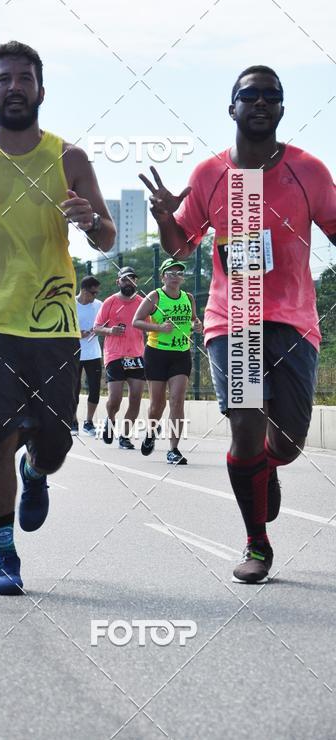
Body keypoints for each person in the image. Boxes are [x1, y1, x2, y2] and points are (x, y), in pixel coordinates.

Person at [0, 40, 116, 595]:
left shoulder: (69, 159)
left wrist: (89, 222)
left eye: (24, 78)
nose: (14, 87)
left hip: (55, 327)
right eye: (4, 79)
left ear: (40, 90)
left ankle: (37, 474)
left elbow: (105, 237)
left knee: (54, 448)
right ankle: (4, 555)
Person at [140, 64, 336, 583]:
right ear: (232, 107)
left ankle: (265, 469)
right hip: (234, 320)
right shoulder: (210, 175)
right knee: (245, 424)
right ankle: (257, 544)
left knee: (288, 444)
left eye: (271, 95)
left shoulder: (308, 171)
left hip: (294, 320)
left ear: (281, 109)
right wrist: (164, 218)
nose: (261, 102)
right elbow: (181, 245)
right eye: (249, 94)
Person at [132, 259, 203, 464]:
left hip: (181, 353)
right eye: (170, 273)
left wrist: (197, 326)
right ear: (163, 276)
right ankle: (151, 432)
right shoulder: (155, 296)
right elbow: (136, 321)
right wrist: (159, 328)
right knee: (157, 404)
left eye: (179, 273)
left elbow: (193, 321)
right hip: (157, 354)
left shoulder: (188, 297)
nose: (175, 276)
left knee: (177, 400)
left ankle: (173, 449)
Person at [93, 267, 146, 449]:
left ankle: (125, 436)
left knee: (136, 398)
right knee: (115, 399)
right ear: (118, 282)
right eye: (125, 279)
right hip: (114, 355)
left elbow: (153, 325)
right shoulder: (110, 302)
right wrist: (110, 330)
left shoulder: (142, 302)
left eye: (132, 279)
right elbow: (97, 327)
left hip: (137, 354)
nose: (129, 283)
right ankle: (110, 419)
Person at [72, 275, 103, 436]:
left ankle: (89, 422)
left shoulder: (99, 305)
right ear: (83, 291)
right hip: (74, 354)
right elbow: (61, 327)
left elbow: (106, 323)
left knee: (94, 388)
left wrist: (100, 329)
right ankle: (73, 421)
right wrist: (78, 334)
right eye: (93, 293)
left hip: (93, 354)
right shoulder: (70, 304)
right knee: (73, 389)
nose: (95, 296)